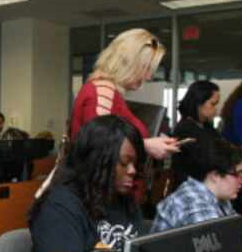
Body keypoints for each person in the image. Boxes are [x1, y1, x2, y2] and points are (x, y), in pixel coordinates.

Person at [10, 116, 146, 252]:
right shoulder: (60, 202)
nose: (132, 170)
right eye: (124, 163)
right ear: (98, 160)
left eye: (135, 163)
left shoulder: (125, 201)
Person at [152, 135, 242, 251]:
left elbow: (238, 226)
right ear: (215, 175)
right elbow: (221, 240)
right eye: (238, 174)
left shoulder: (218, 197)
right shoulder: (192, 200)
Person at [70, 28, 179, 160]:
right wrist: (146, 145)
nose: (149, 76)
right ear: (129, 63)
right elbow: (97, 145)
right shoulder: (103, 92)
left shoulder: (108, 92)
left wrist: (152, 142)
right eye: (147, 68)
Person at [171, 80, 221, 190]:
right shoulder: (185, 129)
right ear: (199, 102)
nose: (216, 109)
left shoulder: (207, 127)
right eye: (212, 104)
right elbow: (206, 162)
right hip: (190, 191)